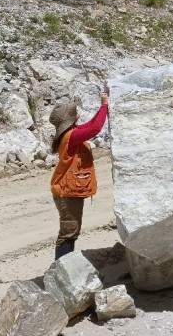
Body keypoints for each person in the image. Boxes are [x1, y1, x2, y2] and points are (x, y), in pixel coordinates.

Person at [49, 87, 109, 260]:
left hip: (67, 190)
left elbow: (90, 126)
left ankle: (65, 268)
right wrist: (104, 105)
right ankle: (61, 269)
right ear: (71, 119)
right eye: (75, 113)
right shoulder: (71, 136)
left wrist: (102, 107)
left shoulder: (69, 133)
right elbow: (95, 128)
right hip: (66, 192)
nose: (78, 114)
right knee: (68, 231)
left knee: (71, 229)